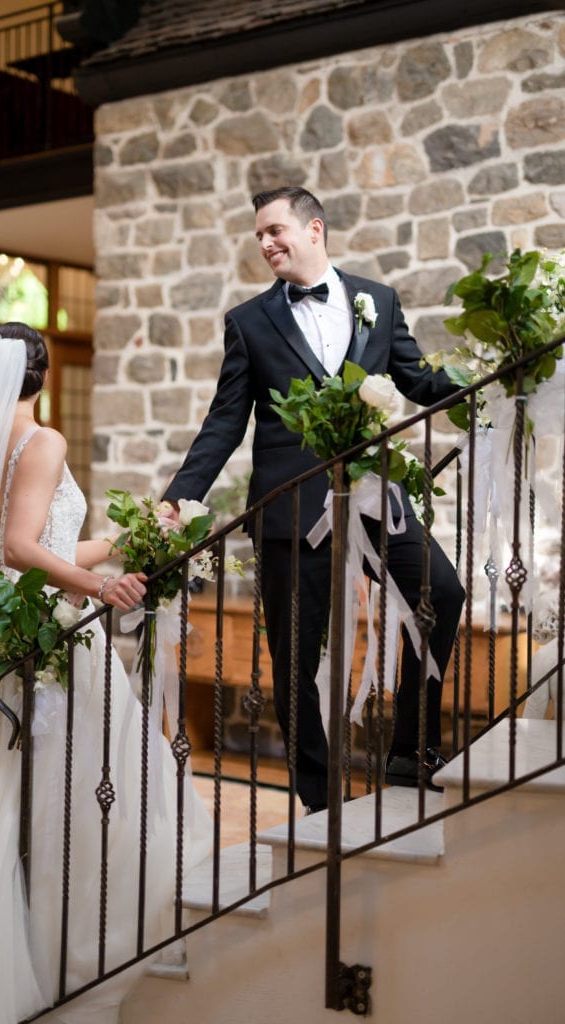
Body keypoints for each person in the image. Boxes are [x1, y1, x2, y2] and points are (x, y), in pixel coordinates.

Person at [0, 324, 211, 1024]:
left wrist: (131, 537)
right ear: (44, 376)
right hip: (50, 631)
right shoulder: (43, 439)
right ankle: (70, 940)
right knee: (83, 783)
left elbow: (39, 544)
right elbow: (20, 546)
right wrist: (100, 591)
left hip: (7, 630)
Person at [163, 186, 465, 810]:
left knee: (441, 589)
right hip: (290, 506)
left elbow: (415, 378)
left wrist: (479, 389)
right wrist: (178, 500)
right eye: (259, 237)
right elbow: (226, 421)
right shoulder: (248, 322)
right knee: (297, 656)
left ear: (314, 228)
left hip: (374, 492)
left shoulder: (376, 301)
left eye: (276, 230)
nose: (267, 243)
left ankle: (409, 750)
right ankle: (319, 796)